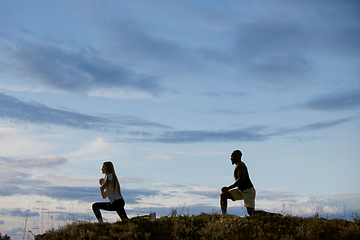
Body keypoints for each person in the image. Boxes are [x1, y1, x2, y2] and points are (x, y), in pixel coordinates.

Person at [220, 150, 256, 216]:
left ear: (237, 157)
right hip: (240, 191)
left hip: (247, 191)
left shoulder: (240, 165)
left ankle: (273, 216)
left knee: (252, 213)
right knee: (224, 195)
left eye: (232, 156)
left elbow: (241, 180)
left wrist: (228, 188)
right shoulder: (238, 166)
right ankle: (224, 216)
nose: (231, 158)